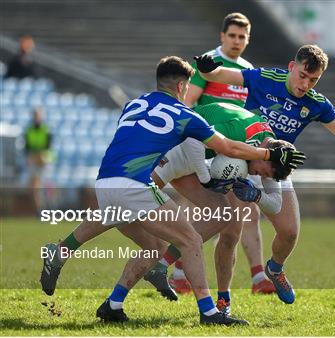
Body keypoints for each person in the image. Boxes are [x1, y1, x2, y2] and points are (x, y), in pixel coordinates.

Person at [39, 56, 304, 325]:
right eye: (188, 87)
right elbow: (229, 148)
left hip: (105, 180)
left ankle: (109, 299)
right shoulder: (185, 114)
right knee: (188, 239)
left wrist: (251, 184)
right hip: (140, 181)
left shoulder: (134, 103)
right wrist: (218, 172)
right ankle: (209, 311)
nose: (188, 92)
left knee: (154, 242)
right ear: (180, 86)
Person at [193, 44, 335, 304]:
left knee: (289, 231)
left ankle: (275, 269)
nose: (306, 84)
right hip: (245, 159)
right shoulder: (266, 78)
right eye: (302, 75)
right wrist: (207, 69)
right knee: (231, 230)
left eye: (313, 80)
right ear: (292, 66)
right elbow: (220, 76)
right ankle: (223, 300)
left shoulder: (316, 103)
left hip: (278, 166)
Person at [171, 12, 277, 295]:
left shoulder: (248, 69)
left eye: (242, 36)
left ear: (248, 39)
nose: (237, 41)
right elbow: (188, 102)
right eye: (232, 35)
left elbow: (249, 112)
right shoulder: (208, 63)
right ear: (222, 36)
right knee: (214, 214)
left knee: (246, 213)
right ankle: (178, 270)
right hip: (207, 148)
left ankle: (257, 277)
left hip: (236, 151)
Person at [24, 107, 52, 212]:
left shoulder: (46, 129)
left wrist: (40, 156)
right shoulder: (29, 130)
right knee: (34, 187)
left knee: (41, 185)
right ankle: (40, 210)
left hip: (43, 160)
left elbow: (48, 147)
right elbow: (27, 147)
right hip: (33, 160)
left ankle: (47, 208)